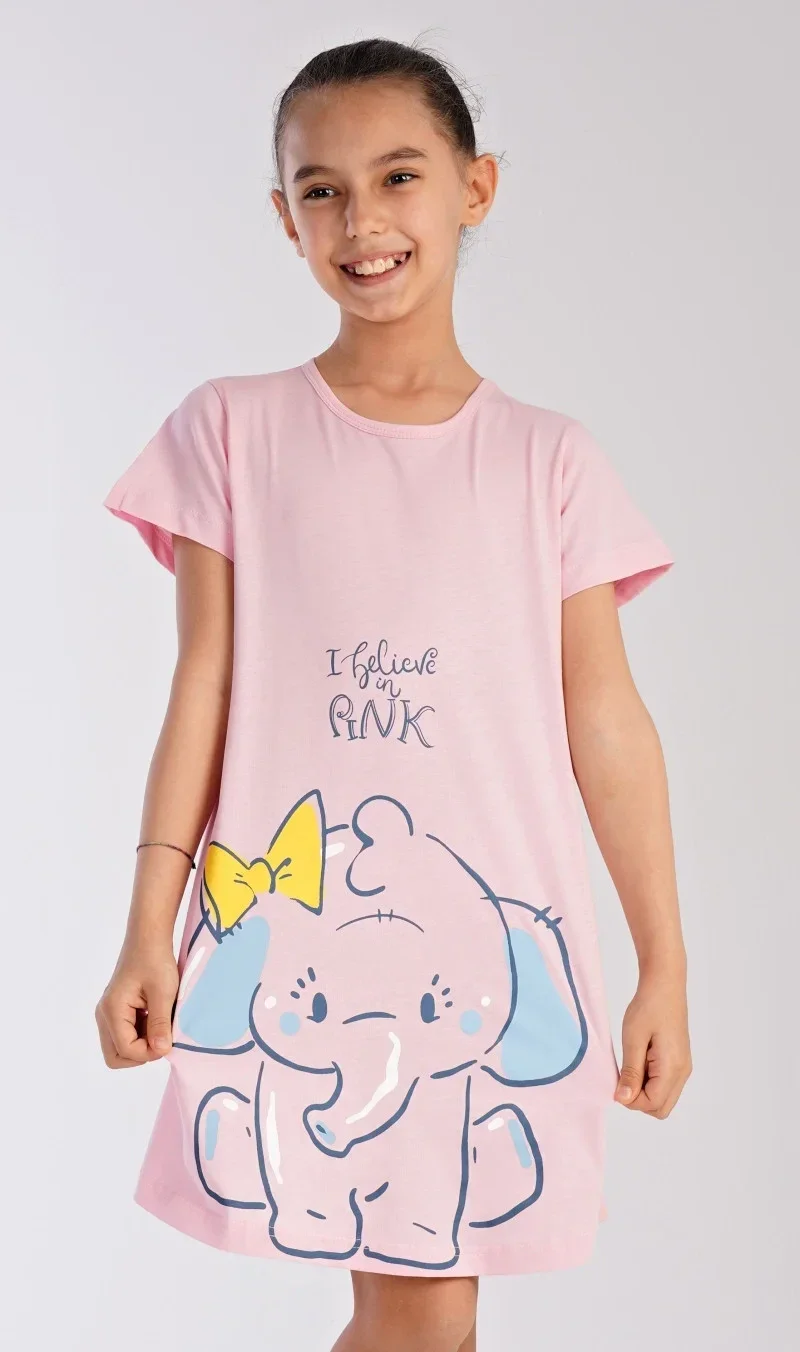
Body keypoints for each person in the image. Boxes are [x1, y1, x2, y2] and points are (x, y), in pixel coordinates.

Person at [95, 35, 692, 1352]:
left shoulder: (549, 462)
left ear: (476, 187)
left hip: (479, 956)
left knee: (431, 1314)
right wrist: (149, 927)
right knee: (424, 1317)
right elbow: (204, 687)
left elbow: (607, 722)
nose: (362, 221)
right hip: (303, 943)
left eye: (399, 177)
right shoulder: (233, 431)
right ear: (285, 215)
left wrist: (665, 962)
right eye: (322, 190)